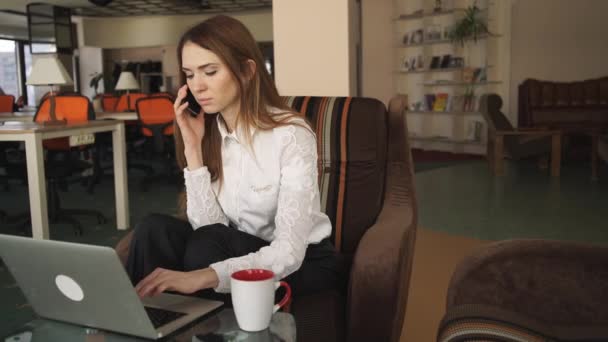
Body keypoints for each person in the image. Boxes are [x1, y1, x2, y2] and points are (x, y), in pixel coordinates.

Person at [126, 15, 345, 302]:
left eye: (210, 71)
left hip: (302, 263)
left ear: (246, 70)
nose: (197, 86)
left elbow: (289, 252)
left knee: (207, 246)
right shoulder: (210, 132)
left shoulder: (290, 134)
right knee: (153, 229)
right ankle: (147, 322)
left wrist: (202, 276)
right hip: (230, 244)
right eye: (190, 75)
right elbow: (208, 227)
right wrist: (193, 150)